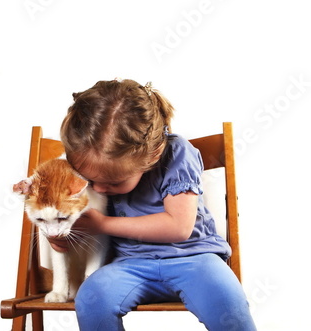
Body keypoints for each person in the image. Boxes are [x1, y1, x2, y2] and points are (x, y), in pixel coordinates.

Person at [49, 79, 257, 330]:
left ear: (153, 155)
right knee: (92, 298)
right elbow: (73, 217)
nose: (100, 189)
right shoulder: (87, 161)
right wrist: (63, 234)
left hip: (196, 259)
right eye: (92, 181)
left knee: (228, 304)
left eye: (114, 182)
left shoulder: (176, 153)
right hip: (129, 264)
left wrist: (102, 224)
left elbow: (179, 227)